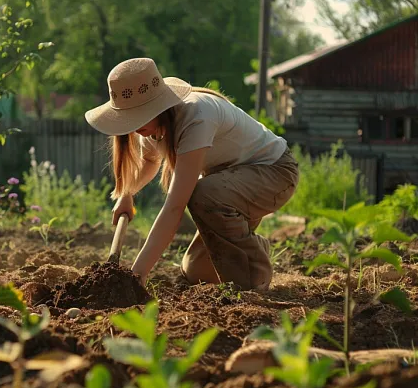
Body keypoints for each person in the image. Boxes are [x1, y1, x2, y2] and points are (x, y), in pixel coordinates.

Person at [84, 58, 299, 291]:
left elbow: (175, 207)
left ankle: (254, 274)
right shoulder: (153, 127)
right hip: (229, 187)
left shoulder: (196, 114)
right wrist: (127, 193)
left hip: (274, 174)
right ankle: (246, 246)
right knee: (196, 271)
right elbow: (149, 160)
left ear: (158, 104)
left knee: (201, 194)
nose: (135, 126)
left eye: (139, 114)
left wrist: (137, 276)